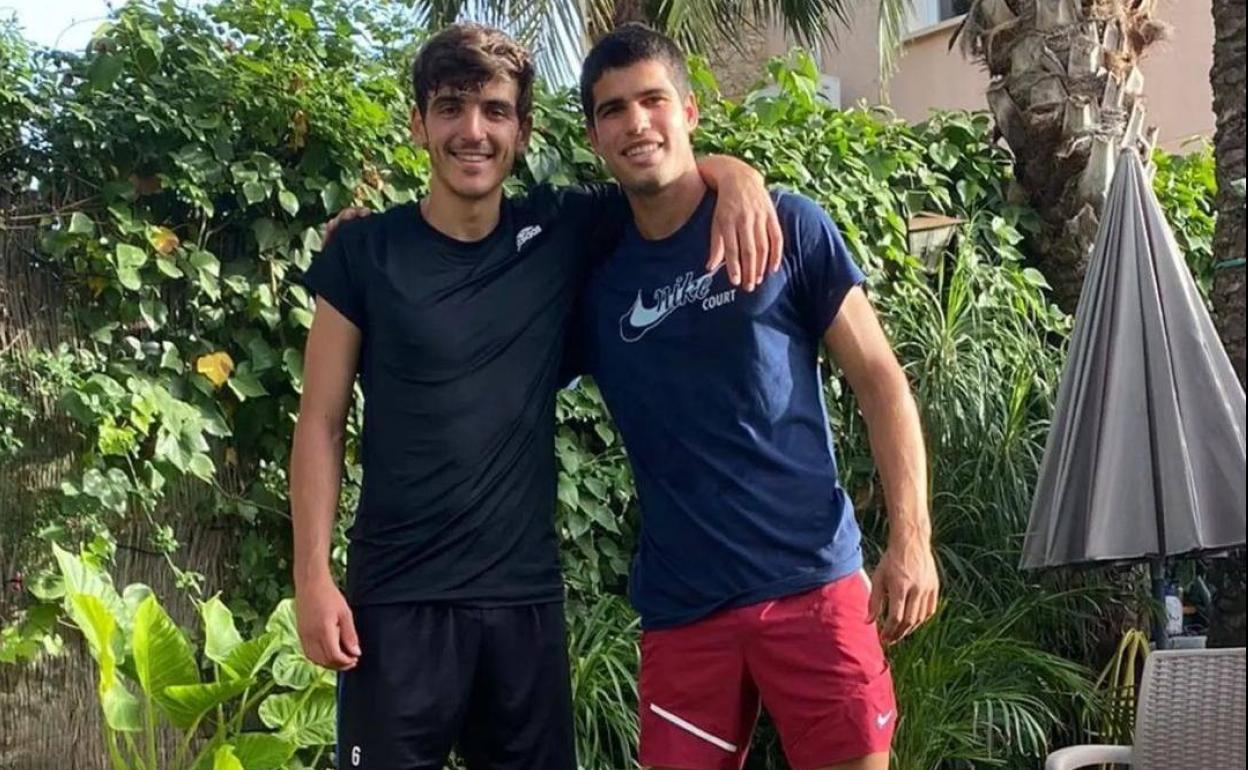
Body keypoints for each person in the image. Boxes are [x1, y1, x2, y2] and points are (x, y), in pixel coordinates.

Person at [289, 22, 780, 770]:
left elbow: (659, 177)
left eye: (494, 111)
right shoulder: (363, 253)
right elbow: (319, 424)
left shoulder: (562, 231)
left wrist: (735, 172)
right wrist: (313, 579)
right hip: (395, 602)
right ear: (419, 123)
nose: (472, 131)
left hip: (524, 603)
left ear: (521, 129)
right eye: (451, 108)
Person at [568, 25, 940, 770]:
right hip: (682, 611)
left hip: (813, 584)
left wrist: (912, 542)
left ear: (690, 111)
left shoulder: (787, 225)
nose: (637, 122)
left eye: (653, 99)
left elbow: (880, 379)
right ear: (594, 137)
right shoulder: (591, 277)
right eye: (614, 110)